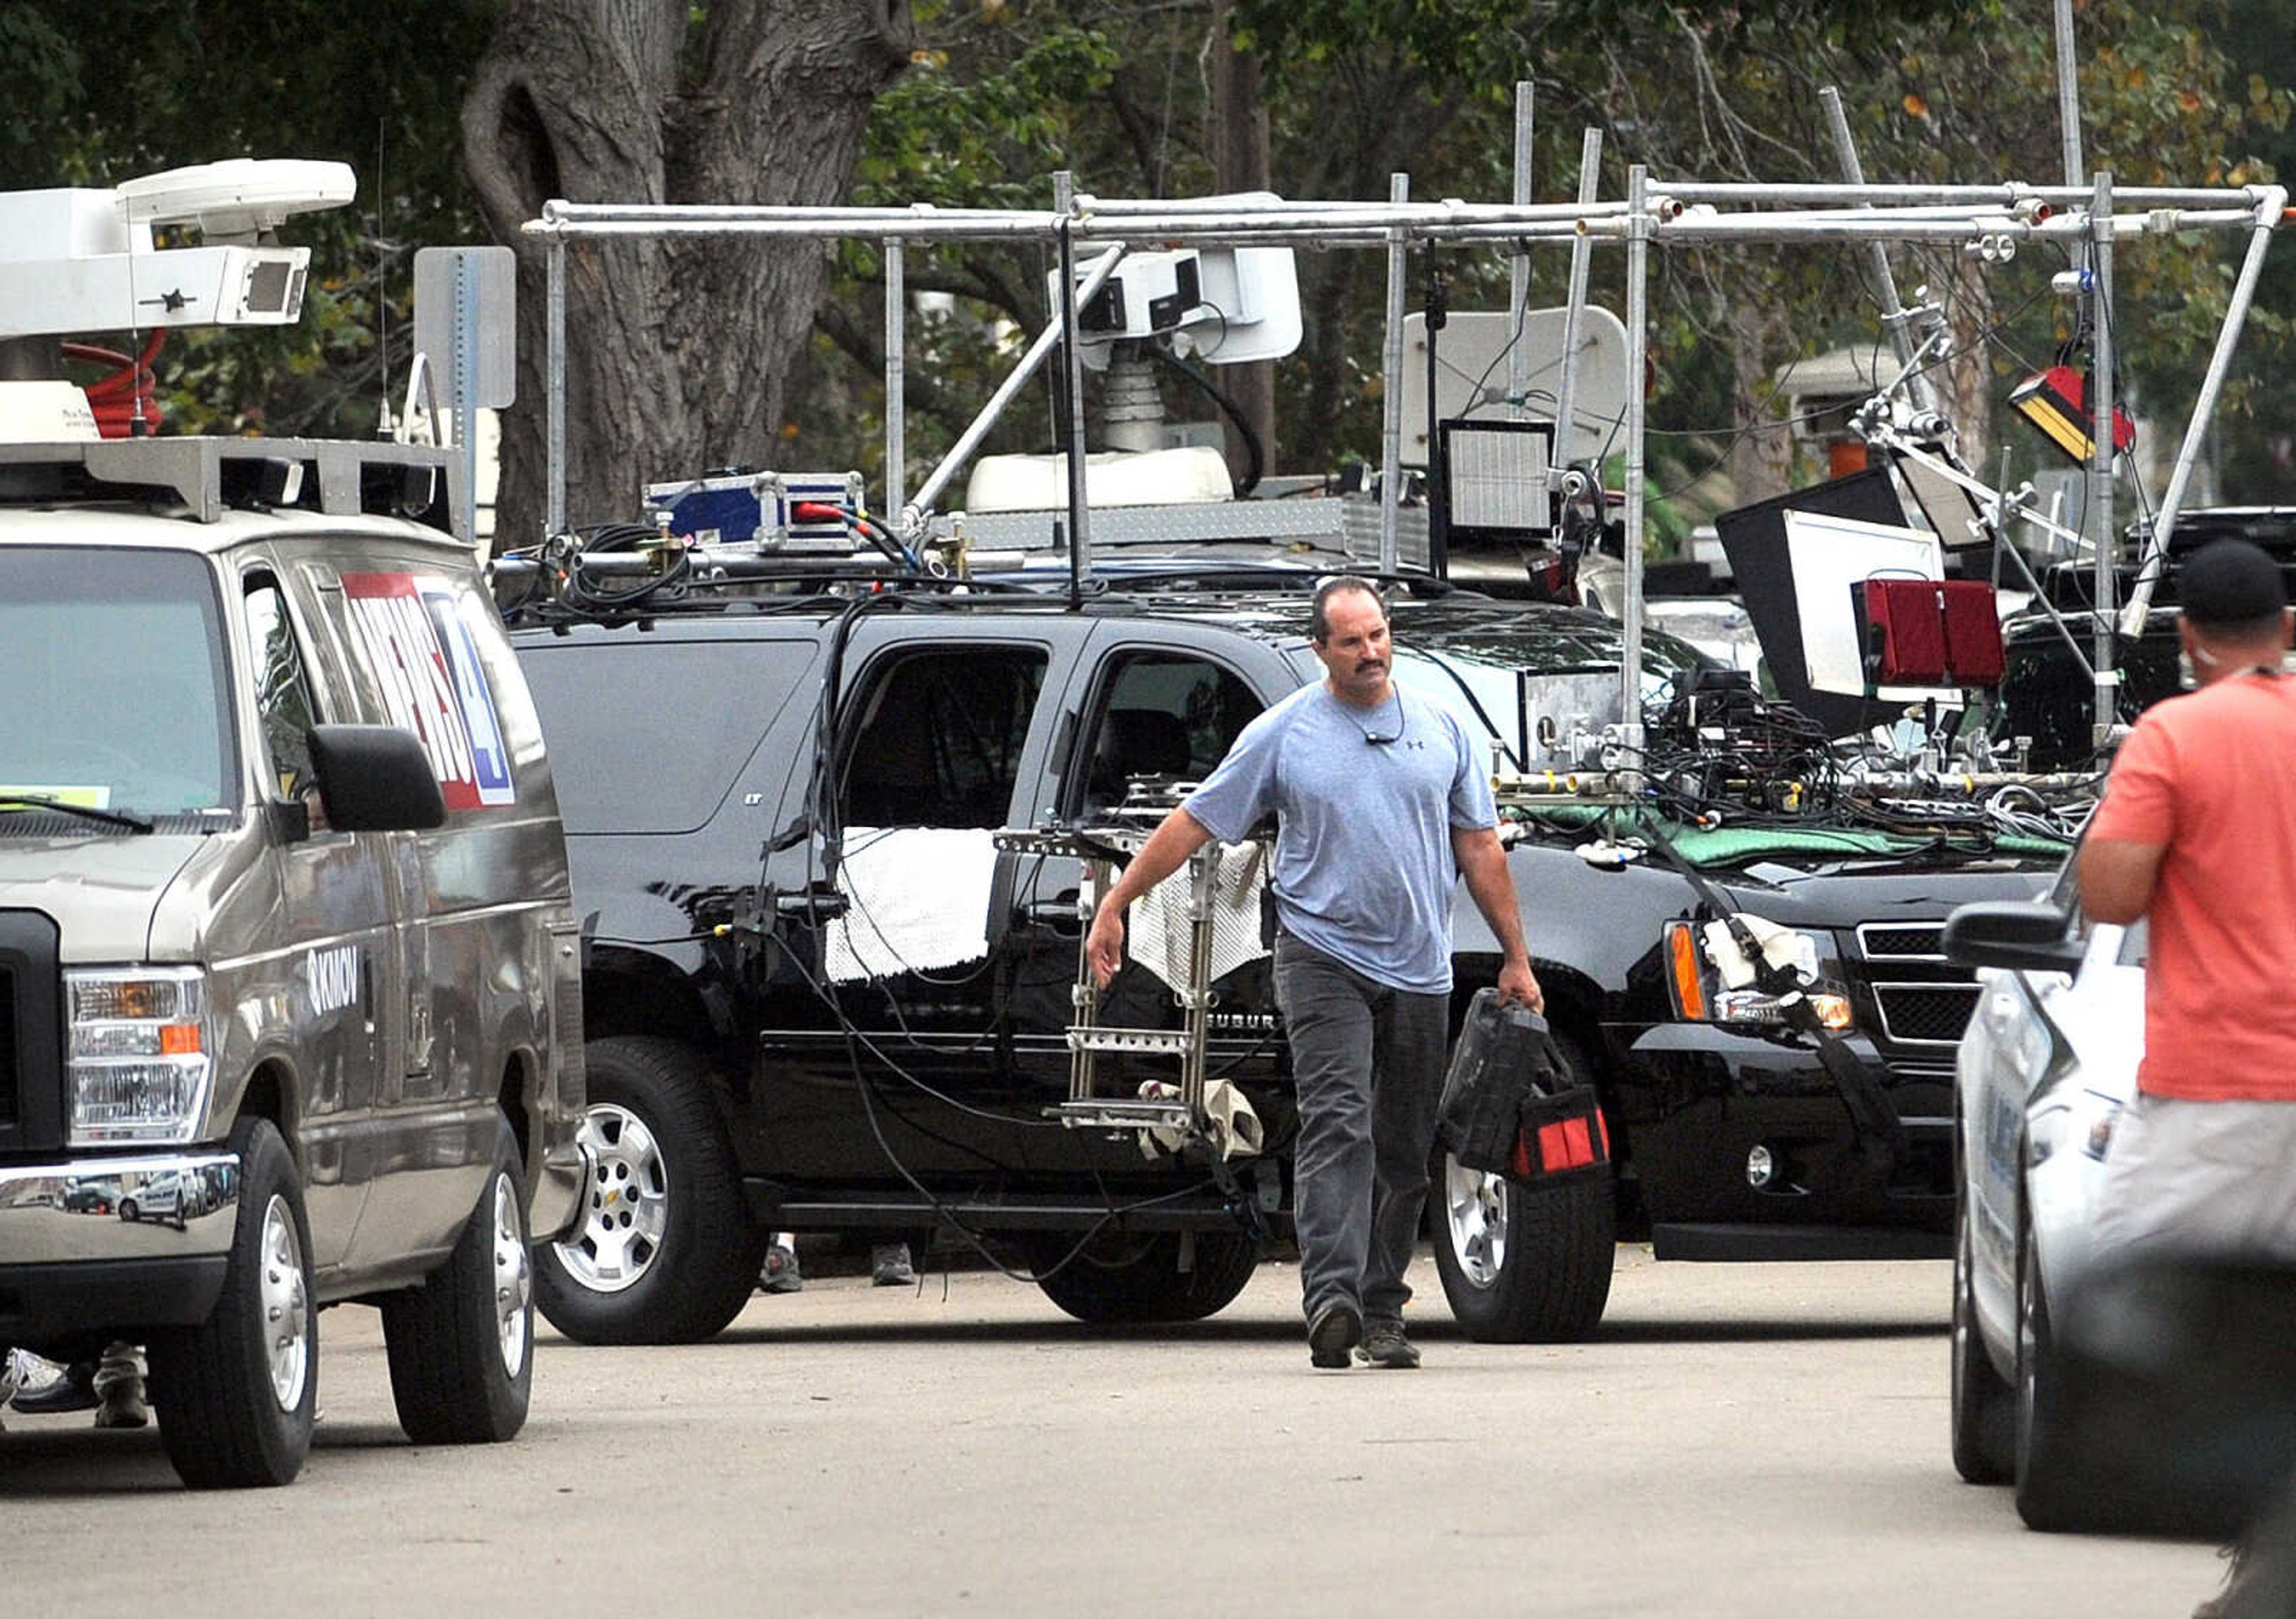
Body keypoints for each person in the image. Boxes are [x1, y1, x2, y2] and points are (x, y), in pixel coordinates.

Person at [1085, 575, 1540, 1370]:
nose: (1371, 652)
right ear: (1321, 650)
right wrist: (1119, 901)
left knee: (1403, 1146)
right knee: (1340, 1121)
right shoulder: (1283, 734)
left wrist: (1517, 957)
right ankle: (1331, 1300)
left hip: (1420, 965)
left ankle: (1382, 1309)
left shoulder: (1441, 729)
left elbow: (1480, 847)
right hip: (1321, 954)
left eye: (1379, 635)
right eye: (1353, 641)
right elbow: (1196, 820)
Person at [2078, 538, 2296, 1618]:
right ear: (2288, 631)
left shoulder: (2176, 733)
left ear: (2186, 639)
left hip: (2218, 1091)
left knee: (2131, 1306)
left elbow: (2112, 895)